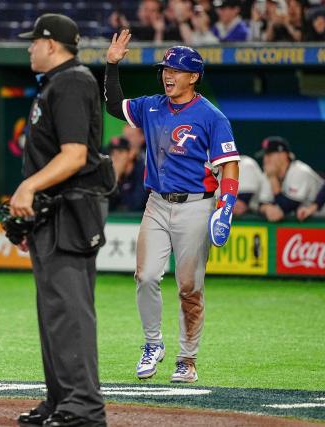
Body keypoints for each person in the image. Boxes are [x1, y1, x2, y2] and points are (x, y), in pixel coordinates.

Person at [105, 32, 240, 383]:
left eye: (176, 70)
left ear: (193, 77)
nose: (168, 74)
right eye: (165, 68)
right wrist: (112, 65)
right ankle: (152, 344)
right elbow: (113, 105)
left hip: (196, 206)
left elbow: (229, 164)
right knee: (146, 276)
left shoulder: (211, 116)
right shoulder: (151, 106)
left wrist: (225, 207)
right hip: (157, 203)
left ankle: (187, 358)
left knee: (189, 287)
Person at [13, 14, 109, 427]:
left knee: (69, 311)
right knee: (54, 311)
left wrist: (28, 188)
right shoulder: (59, 82)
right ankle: (62, 401)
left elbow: (75, 155)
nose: (29, 47)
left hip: (69, 210)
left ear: (51, 45)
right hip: (55, 212)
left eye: (33, 41)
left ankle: (83, 406)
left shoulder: (72, 81)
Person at [258, 136, 325, 222]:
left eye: (269, 155)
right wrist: (267, 209)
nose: (265, 159)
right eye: (264, 156)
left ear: (283, 155)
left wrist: (273, 179)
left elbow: (288, 206)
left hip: (321, 220)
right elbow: (262, 203)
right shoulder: (269, 174)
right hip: (305, 222)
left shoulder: (300, 171)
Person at [108, 136, 149, 212]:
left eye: (120, 152)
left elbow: (136, 205)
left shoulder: (142, 172)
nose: (115, 157)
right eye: (112, 153)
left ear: (131, 154)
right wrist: (115, 179)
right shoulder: (110, 175)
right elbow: (107, 207)